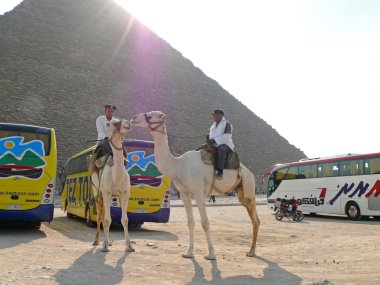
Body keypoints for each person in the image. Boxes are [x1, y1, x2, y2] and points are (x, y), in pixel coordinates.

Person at [208, 109, 234, 179]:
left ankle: (220, 171)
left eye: (217, 116)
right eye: (214, 116)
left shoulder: (227, 124)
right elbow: (211, 136)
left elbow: (227, 136)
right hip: (215, 144)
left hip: (225, 144)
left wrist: (215, 140)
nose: (215, 117)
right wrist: (210, 140)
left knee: (221, 150)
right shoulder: (213, 126)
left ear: (221, 116)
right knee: (201, 149)